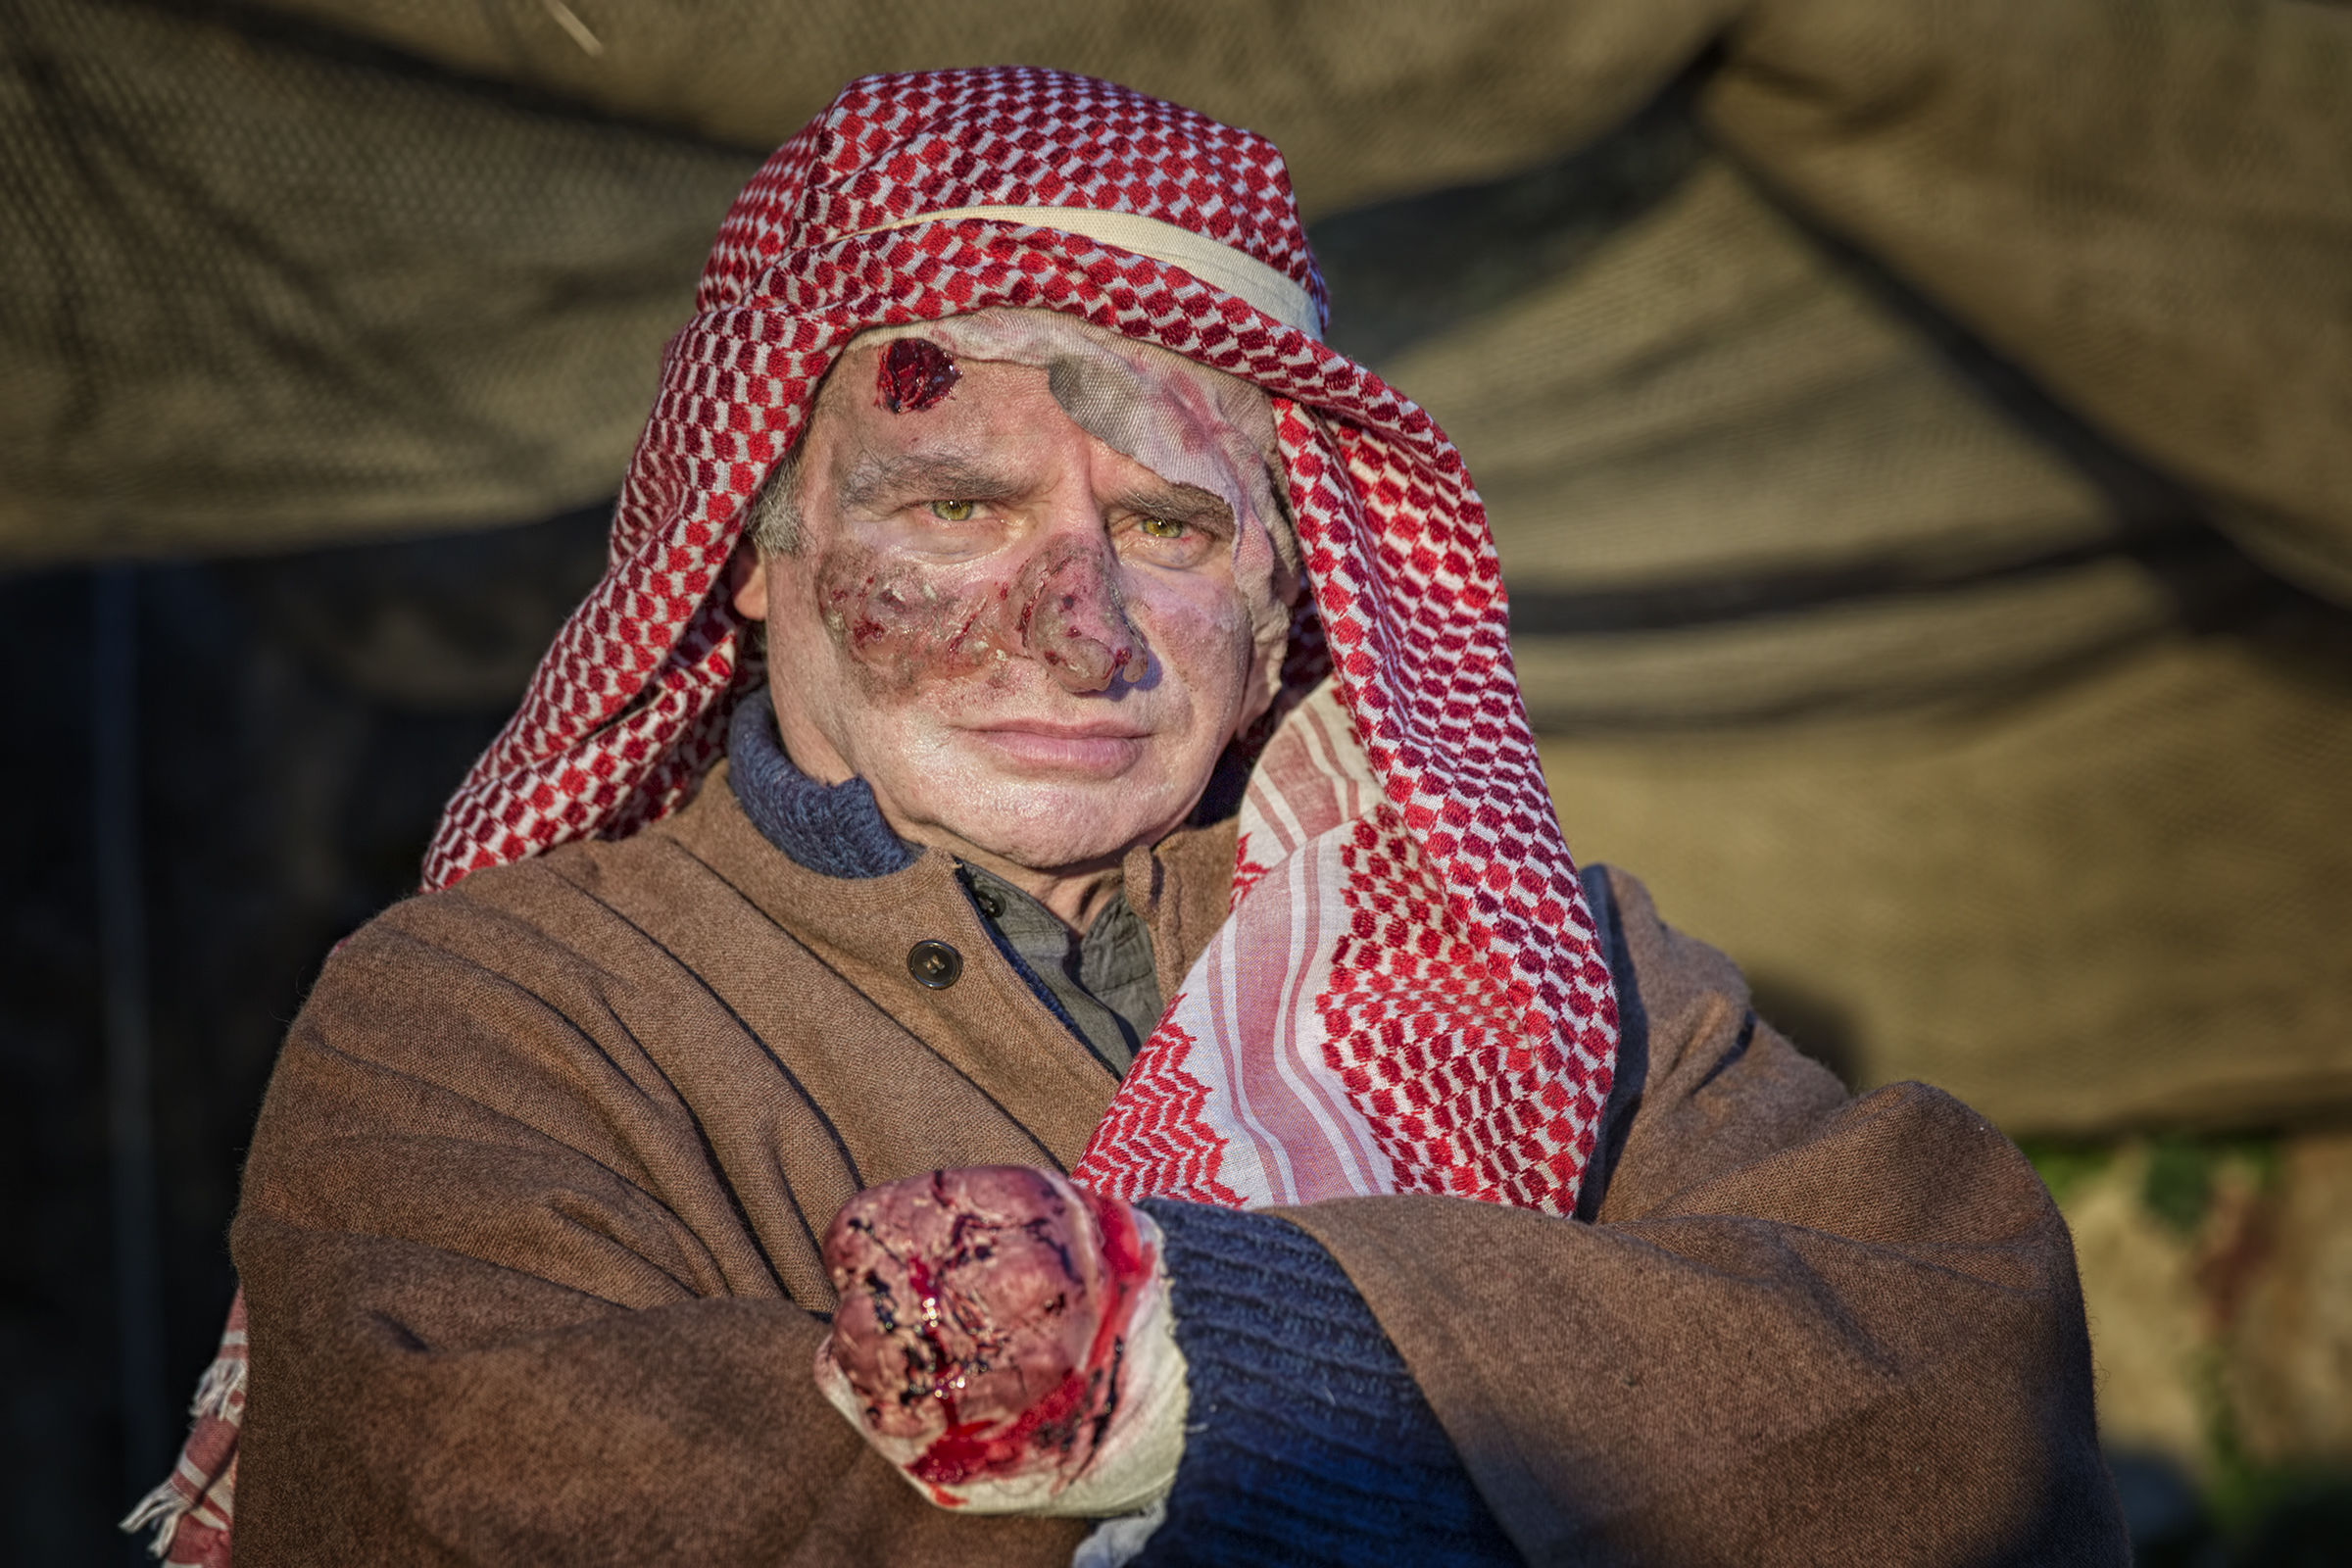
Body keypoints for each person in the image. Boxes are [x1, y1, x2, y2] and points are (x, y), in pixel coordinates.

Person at [146, 68, 2127, 1566]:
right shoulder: (490, 1010)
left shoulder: (1534, 959)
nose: (1077, 630)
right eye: (957, 509)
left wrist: (1203, 1358)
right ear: (757, 551)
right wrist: (1542, 1423)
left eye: (1169, 527)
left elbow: (1961, 1375)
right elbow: (491, 1486)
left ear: (1287, 591)